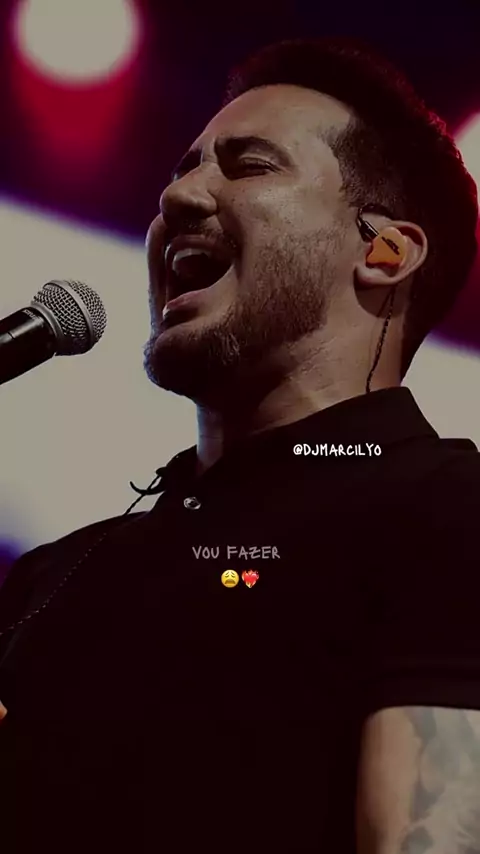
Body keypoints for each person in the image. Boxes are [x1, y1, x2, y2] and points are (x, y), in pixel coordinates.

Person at [0, 35, 479, 854]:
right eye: (183, 169)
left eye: (250, 166)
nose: (178, 196)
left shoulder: (449, 511)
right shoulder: (59, 573)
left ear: (386, 252)